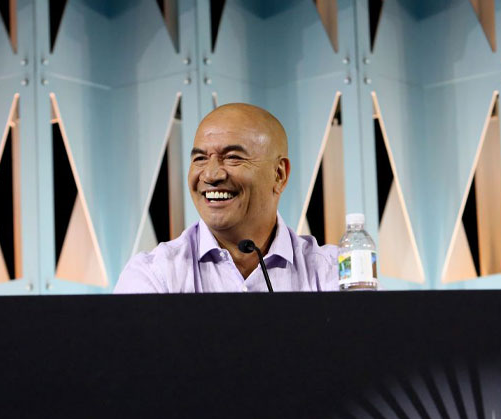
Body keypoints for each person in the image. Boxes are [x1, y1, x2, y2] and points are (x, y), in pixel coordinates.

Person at [114, 103, 338, 293]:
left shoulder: (333, 273)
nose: (211, 174)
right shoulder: (153, 276)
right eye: (200, 158)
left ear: (278, 174)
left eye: (232, 157)